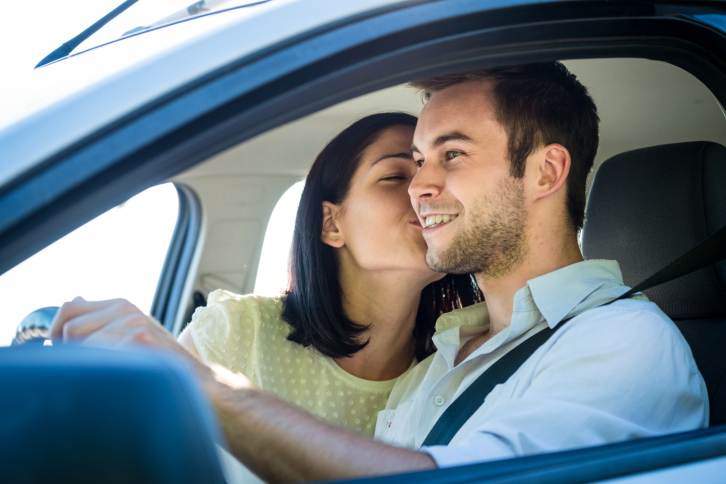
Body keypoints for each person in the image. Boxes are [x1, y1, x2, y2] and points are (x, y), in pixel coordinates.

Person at [50, 62, 708, 483]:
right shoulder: (446, 357)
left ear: (545, 171)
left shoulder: (624, 342)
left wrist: (206, 387)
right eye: (415, 161)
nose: (420, 187)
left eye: (451, 154)